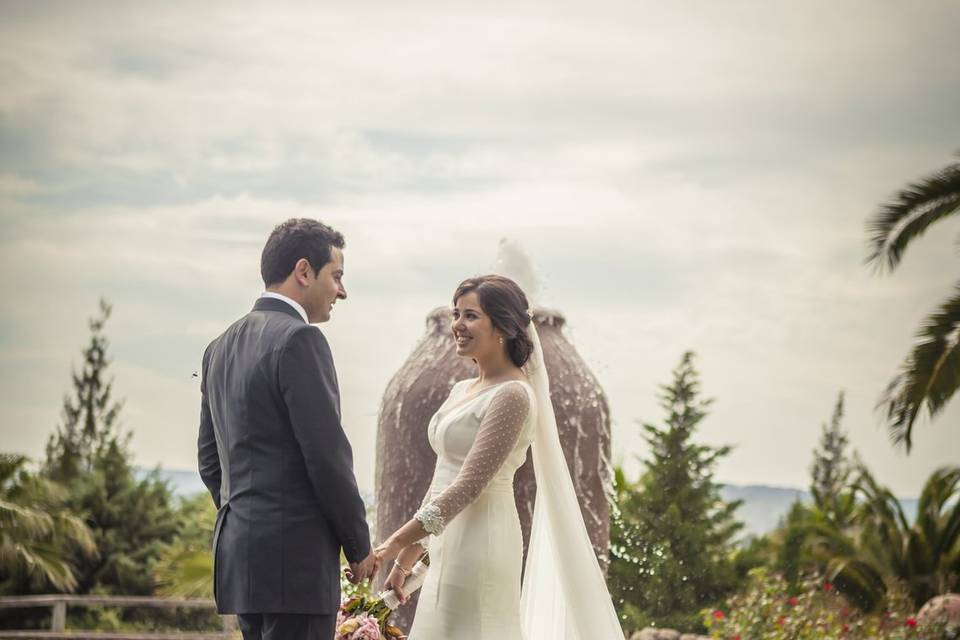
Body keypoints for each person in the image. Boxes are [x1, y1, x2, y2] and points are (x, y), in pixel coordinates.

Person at [375, 275, 624, 639]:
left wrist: (391, 541)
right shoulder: (462, 389)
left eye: (471, 316)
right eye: (455, 313)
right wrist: (404, 560)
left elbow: (468, 486)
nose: (457, 325)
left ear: (503, 326)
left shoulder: (513, 396)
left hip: (482, 540)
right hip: (445, 540)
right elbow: (441, 480)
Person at [197, 218, 378, 640]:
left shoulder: (218, 348)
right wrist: (359, 546)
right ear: (303, 271)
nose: (342, 291)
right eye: (337, 276)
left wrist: (250, 522)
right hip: (295, 566)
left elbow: (210, 462)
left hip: (242, 561)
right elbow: (327, 457)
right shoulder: (301, 340)